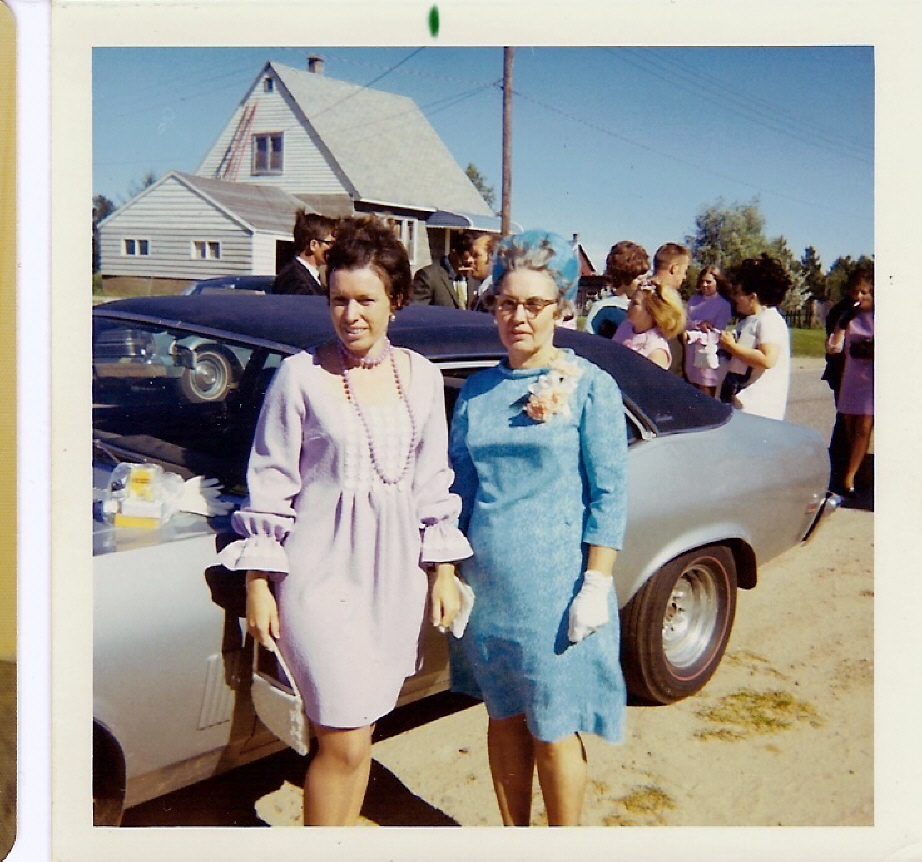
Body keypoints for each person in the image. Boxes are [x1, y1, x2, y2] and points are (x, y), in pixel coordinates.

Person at [218, 216, 471, 826]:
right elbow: (270, 484)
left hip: (394, 580)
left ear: (396, 302)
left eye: (366, 299)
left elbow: (432, 480)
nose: (350, 314)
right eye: (338, 299)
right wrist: (258, 583)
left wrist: (441, 570)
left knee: (365, 733)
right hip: (319, 576)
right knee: (343, 742)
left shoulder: (422, 376)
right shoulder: (299, 377)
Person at [449, 229, 629, 827]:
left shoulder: (589, 389)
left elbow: (608, 494)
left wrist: (596, 586)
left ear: (562, 308)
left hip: (557, 596)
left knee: (553, 725)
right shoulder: (476, 391)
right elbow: (459, 491)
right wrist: (449, 572)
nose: (518, 317)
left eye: (534, 305)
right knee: (501, 717)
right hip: (489, 591)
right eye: (506, 303)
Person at [718, 254, 792, 420]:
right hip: (740, 402)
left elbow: (767, 359)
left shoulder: (769, 319)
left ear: (752, 297)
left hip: (758, 407)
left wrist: (731, 346)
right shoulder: (747, 322)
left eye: (738, 293)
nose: (735, 298)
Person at [825, 268, 874, 496]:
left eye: (866, 292)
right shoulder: (847, 317)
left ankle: (849, 477)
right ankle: (856, 468)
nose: (860, 297)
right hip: (852, 376)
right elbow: (833, 348)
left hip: (872, 377)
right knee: (849, 428)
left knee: (864, 428)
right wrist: (842, 326)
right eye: (857, 292)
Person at [612, 278, 686, 370]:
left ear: (651, 311)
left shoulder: (657, 351)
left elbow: (648, 383)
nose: (628, 305)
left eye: (635, 303)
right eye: (630, 300)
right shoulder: (625, 326)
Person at [583, 241, 650, 338]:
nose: (643, 283)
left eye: (645, 278)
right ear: (624, 277)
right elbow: (589, 339)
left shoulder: (644, 306)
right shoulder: (603, 308)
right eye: (638, 278)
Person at [684, 266, 733, 396]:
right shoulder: (693, 300)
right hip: (689, 352)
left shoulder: (723, 305)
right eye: (702, 281)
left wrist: (696, 333)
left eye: (709, 282)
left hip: (707, 354)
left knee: (706, 394)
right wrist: (699, 325)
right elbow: (685, 321)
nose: (704, 285)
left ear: (718, 283)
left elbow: (718, 332)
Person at [650, 242, 691, 376]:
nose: (684, 277)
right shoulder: (655, 298)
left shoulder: (641, 294)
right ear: (674, 268)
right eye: (684, 271)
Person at [272, 211, 336, 295]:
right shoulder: (295, 281)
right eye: (330, 243)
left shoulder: (304, 275)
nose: (333, 248)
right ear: (313, 245)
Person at [411, 230, 475, 308]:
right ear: (453, 254)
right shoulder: (428, 277)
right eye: (465, 263)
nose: (469, 267)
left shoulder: (473, 277)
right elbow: (418, 311)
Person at [468, 232, 499, 311]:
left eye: (476, 255)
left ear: (493, 257)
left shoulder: (497, 294)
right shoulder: (483, 290)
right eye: (471, 255)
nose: (469, 260)